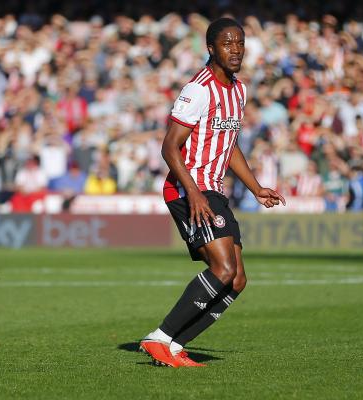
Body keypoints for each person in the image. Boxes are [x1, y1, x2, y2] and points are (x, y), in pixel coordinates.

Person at [139, 18, 285, 368]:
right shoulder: (197, 90)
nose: (235, 50)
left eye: (240, 43)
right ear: (211, 48)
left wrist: (255, 188)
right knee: (222, 269)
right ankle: (159, 338)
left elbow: (229, 145)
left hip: (213, 190)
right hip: (188, 189)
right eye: (227, 44)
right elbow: (169, 148)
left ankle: (174, 345)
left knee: (237, 280)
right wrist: (195, 194)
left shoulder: (239, 90)